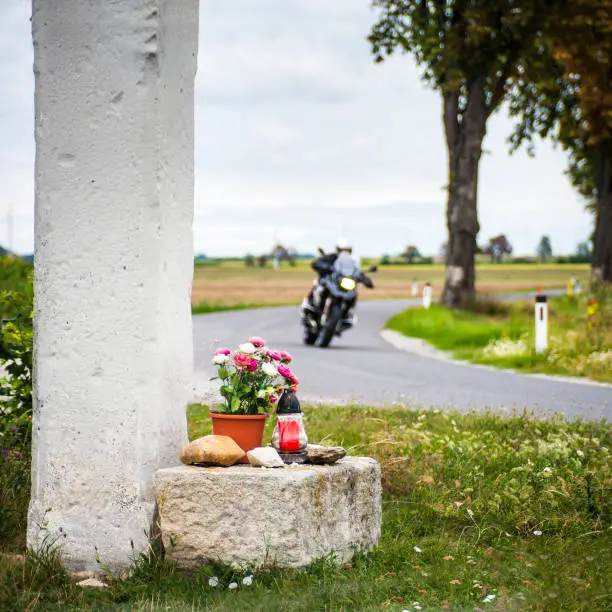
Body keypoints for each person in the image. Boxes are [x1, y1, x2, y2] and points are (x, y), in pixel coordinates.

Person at [301, 237, 363, 329]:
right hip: (330, 282)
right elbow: (316, 263)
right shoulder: (331, 257)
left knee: (353, 293)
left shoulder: (353, 261)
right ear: (338, 249)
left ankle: (346, 315)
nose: (344, 252)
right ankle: (311, 306)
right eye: (342, 250)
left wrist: (364, 278)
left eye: (347, 250)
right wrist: (323, 265)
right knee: (320, 286)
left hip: (342, 284)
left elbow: (357, 271)